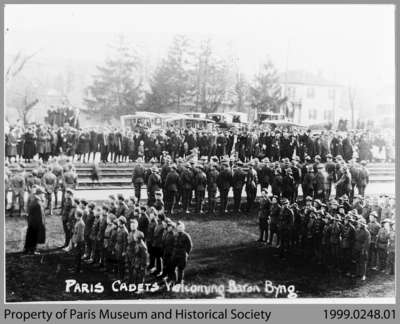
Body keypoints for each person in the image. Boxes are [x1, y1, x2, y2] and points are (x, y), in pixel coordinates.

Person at [23, 186, 46, 254]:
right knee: (34, 237)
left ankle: (27, 249)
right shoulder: (38, 202)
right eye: (43, 194)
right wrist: (42, 224)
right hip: (36, 223)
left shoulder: (34, 200)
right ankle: (33, 250)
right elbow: (40, 215)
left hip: (31, 222)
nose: (43, 195)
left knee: (29, 236)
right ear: (40, 194)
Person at [71, 208, 85, 274]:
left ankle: (77, 270)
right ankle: (75, 268)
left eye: (75, 214)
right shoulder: (78, 221)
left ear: (77, 215)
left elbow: (79, 234)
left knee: (77, 256)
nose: (74, 216)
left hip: (78, 242)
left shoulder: (80, 223)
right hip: (76, 240)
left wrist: (76, 242)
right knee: (76, 255)